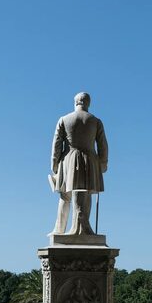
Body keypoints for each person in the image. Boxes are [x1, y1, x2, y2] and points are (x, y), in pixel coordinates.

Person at [50, 92, 108, 235]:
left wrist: (54, 164)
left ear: (75, 102)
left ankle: (60, 229)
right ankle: (83, 228)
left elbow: (56, 144)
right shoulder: (96, 121)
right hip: (90, 160)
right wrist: (103, 163)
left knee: (65, 195)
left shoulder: (64, 119)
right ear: (88, 103)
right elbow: (103, 146)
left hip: (69, 159)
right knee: (86, 194)